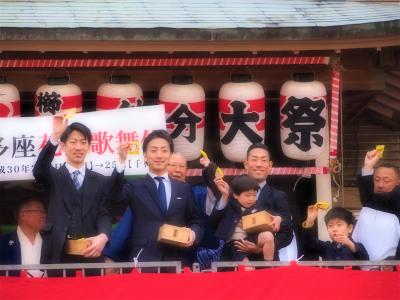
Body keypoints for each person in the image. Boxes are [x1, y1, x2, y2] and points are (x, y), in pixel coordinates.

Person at [32, 114, 127, 271]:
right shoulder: (53, 176)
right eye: (73, 142)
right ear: (63, 146)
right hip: (57, 252)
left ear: (89, 147)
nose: (78, 147)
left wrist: (103, 236)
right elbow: (39, 170)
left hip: (91, 251)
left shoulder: (100, 181)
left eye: (83, 142)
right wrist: (55, 137)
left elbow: (105, 212)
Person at [115, 130, 203, 266]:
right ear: (145, 156)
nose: (159, 156)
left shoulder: (183, 188)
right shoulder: (134, 186)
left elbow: (195, 221)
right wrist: (121, 162)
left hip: (177, 260)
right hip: (144, 259)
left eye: (164, 151)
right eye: (154, 150)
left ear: (170, 155)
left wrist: (193, 233)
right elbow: (114, 201)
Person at [212, 143, 294, 260]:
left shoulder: (279, 196)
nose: (259, 164)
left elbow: (287, 233)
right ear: (246, 163)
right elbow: (213, 224)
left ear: (270, 165)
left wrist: (260, 248)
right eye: (254, 160)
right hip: (233, 259)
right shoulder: (230, 192)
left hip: (266, 266)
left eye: (263, 160)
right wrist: (224, 197)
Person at [209, 175, 276, 262]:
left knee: (268, 236)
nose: (251, 199)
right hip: (235, 243)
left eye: (254, 195)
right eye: (247, 195)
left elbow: (269, 221)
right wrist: (225, 195)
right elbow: (214, 219)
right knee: (245, 264)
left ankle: (269, 266)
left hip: (252, 239)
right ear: (235, 195)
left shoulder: (258, 207)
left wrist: (276, 219)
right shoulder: (229, 205)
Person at [352, 149, 400, 260]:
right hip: (362, 268)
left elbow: (368, 199)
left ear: (398, 182)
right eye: (376, 180)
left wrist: (368, 168)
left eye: (386, 180)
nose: (380, 185)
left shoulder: (396, 199)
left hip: (389, 270)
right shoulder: (370, 204)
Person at [0, 197, 46, 277]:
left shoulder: (50, 240)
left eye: (45, 212)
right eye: (40, 211)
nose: (44, 215)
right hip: (15, 288)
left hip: (48, 288)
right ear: (23, 215)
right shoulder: (3, 242)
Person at [302, 206, 369, 261]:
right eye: (330, 225)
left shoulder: (356, 246)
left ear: (350, 228)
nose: (334, 229)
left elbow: (365, 259)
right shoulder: (326, 248)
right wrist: (310, 221)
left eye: (339, 224)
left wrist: (349, 244)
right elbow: (309, 242)